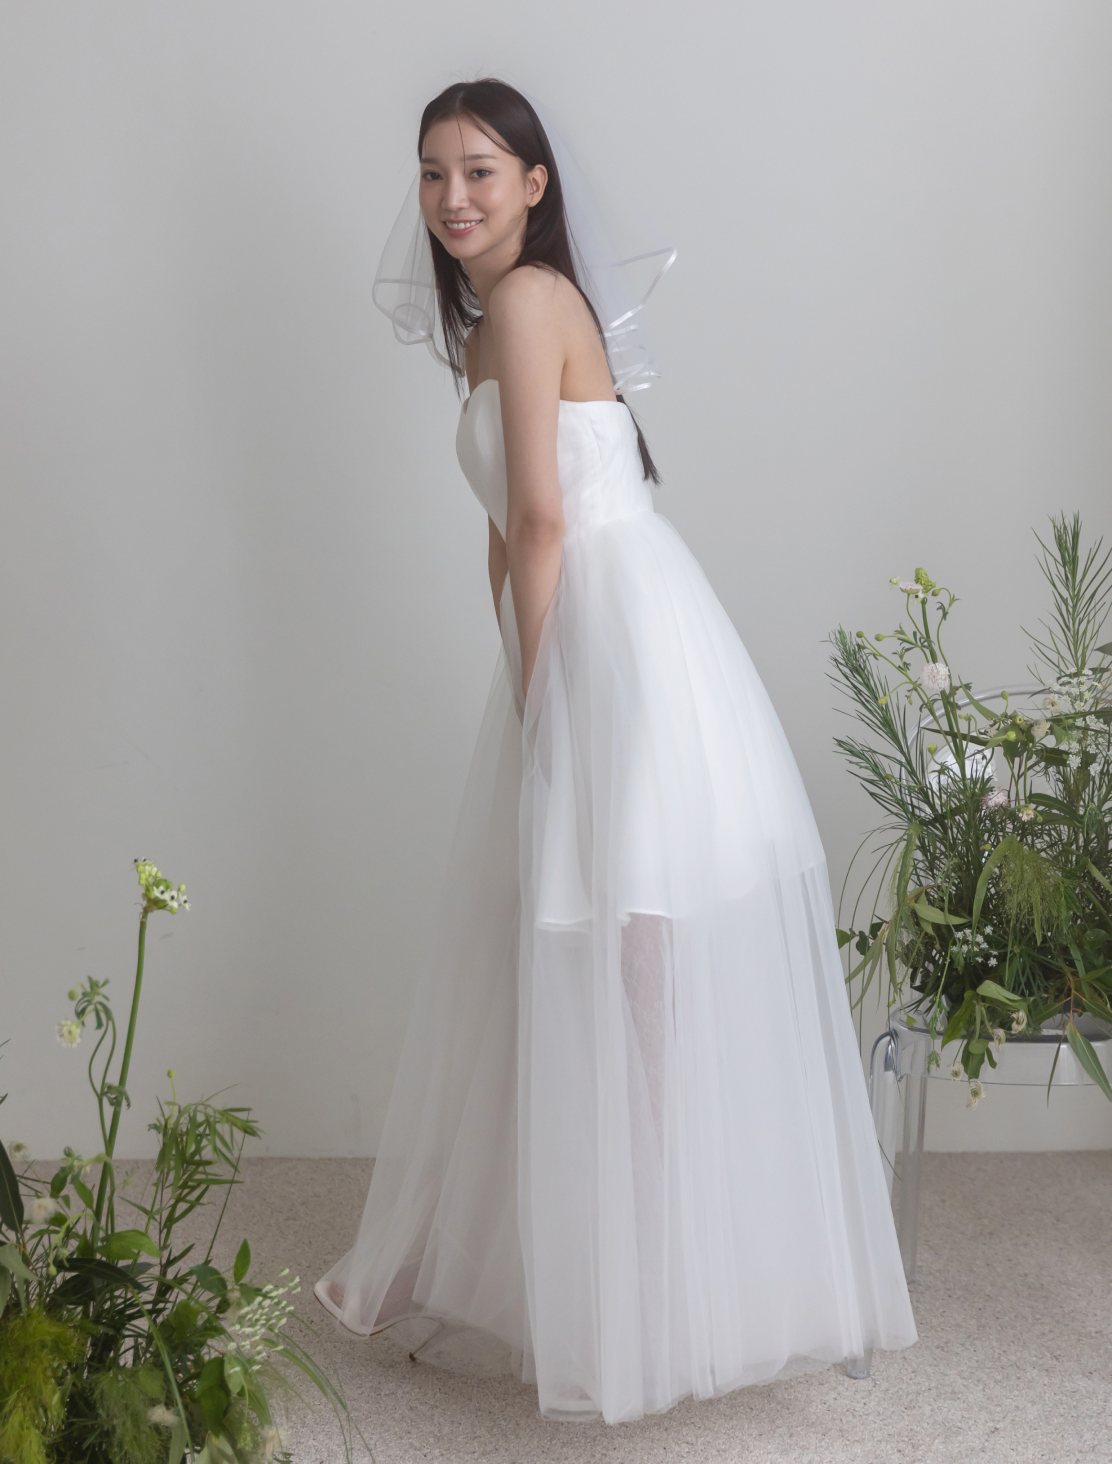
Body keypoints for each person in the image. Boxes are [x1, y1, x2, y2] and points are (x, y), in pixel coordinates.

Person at [315, 77, 917, 1425]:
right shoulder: (491, 325)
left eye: (480, 170)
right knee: (556, 941)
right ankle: (513, 1256)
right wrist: (523, 677)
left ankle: (669, 1277)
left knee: (629, 951)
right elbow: (503, 527)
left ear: (534, 185)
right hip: (576, 638)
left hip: (616, 647)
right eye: (433, 173)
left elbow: (542, 520)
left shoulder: (531, 302)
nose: (452, 197)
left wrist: (548, 700)